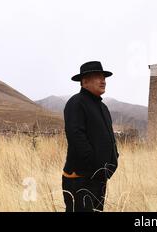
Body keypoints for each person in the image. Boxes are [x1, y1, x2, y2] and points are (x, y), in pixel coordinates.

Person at [62, 61, 119, 212]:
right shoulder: (76, 103)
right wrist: (94, 165)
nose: (103, 81)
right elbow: (76, 137)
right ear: (84, 81)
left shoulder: (103, 107)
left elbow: (109, 138)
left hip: (99, 178)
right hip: (80, 179)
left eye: (104, 77)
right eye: (98, 77)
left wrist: (114, 160)